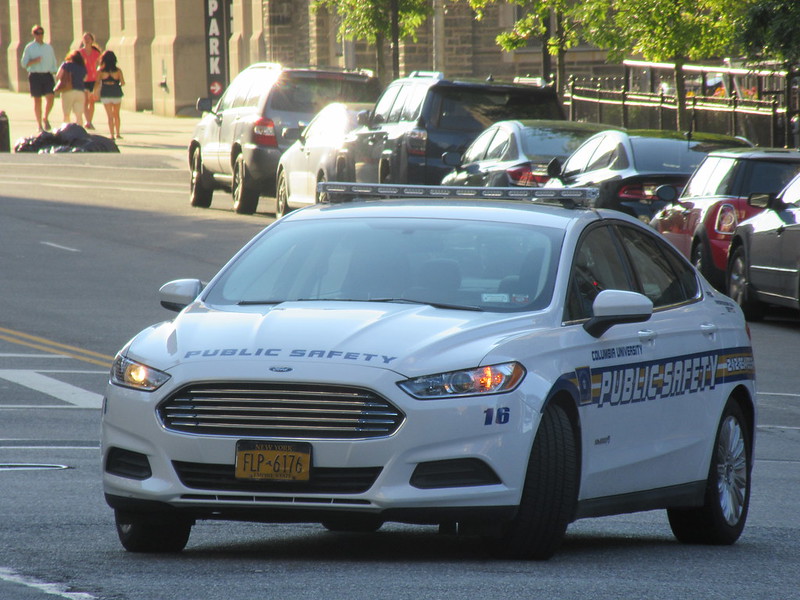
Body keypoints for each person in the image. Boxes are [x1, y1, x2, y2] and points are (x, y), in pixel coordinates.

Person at [20, 25, 58, 132]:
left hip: (47, 75)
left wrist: (55, 72)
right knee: (38, 100)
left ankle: (46, 117)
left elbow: (53, 61)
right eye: (37, 33)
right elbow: (24, 64)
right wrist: (34, 61)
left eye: (41, 33)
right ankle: (39, 124)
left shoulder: (48, 47)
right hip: (35, 75)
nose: (39, 35)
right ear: (33, 34)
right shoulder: (30, 47)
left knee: (50, 98)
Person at [93, 50, 125, 139]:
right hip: (116, 92)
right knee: (117, 114)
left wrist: (94, 92)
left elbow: (96, 83)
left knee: (110, 116)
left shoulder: (100, 71)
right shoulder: (118, 71)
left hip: (106, 93)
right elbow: (122, 83)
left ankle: (112, 135)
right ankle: (118, 133)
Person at [55, 50, 87, 127]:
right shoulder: (83, 68)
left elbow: (58, 76)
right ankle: (80, 131)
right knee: (79, 115)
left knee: (66, 114)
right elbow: (85, 79)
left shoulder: (66, 65)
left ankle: (66, 130)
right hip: (80, 92)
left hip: (68, 91)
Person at [78, 32, 102, 130]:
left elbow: (100, 64)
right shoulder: (80, 53)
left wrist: (99, 74)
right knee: (85, 101)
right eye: (85, 38)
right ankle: (88, 121)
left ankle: (89, 121)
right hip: (83, 79)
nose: (87, 40)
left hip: (94, 79)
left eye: (88, 38)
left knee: (92, 101)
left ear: (92, 40)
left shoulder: (96, 53)